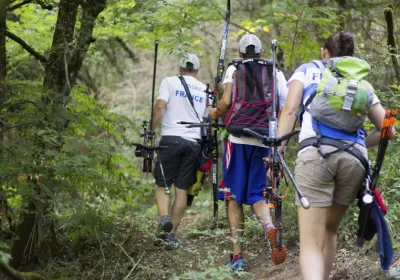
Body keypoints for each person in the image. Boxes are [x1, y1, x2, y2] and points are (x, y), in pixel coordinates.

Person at [275, 31, 396, 280]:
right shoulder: (361, 83)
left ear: (324, 52)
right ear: (350, 55)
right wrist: (359, 143)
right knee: (330, 231)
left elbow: (288, 111)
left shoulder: (307, 70)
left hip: (316, 155)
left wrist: (277, 154)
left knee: (309, 242)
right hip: (354, 161)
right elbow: (389, 130)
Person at [211, 33, 288, 271]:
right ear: (262, 52)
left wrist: (214, 113)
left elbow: (225, 102)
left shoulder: (234, 69)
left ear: (241, 53)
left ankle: (237, 257)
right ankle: (268, 226)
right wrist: (279, 146)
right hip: (264, 139)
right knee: (257, 193)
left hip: (237, 139)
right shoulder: (275, 72)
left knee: (233, 196)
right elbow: (286, 109)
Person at [152, 54, 208, 250]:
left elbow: (160, 106)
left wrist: (151, 130)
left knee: (162, 182)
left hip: (171, 139)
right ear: (197, 71)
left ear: (180, 68)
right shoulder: (204, 89)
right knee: (182, 189)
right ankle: (171, 236)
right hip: (194, 143)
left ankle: (164, 217)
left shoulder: (169, 82)